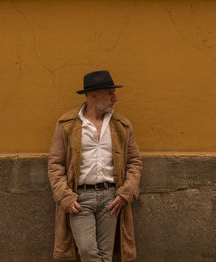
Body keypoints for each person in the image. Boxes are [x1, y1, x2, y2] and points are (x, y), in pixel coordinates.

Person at [48, 70, 142, 262]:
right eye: (109, 93)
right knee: (87, 251)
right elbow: (55, 164)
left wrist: (126, 192)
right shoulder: (67, 124)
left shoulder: (121, 125)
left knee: (106, 255)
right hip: (80, 198)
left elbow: (134, 161)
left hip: (111, 197)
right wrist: (64, 196)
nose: (114, 98)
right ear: (93, 95)